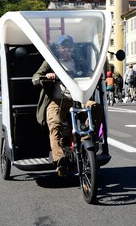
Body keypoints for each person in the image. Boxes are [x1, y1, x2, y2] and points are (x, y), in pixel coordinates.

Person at [32, 34, 103, 177]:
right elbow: (35, 78)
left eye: (70, 47)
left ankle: (86, 140)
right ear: (58, 48)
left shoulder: (78, 61)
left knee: (95, 107)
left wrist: (91, 74)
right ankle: (60, 160)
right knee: (55, 124)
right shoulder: (51, 62)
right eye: (64, 46)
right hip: (58, 101)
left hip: (78, 99)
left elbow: (90, 73)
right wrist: (47, 77)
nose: (67, 50)